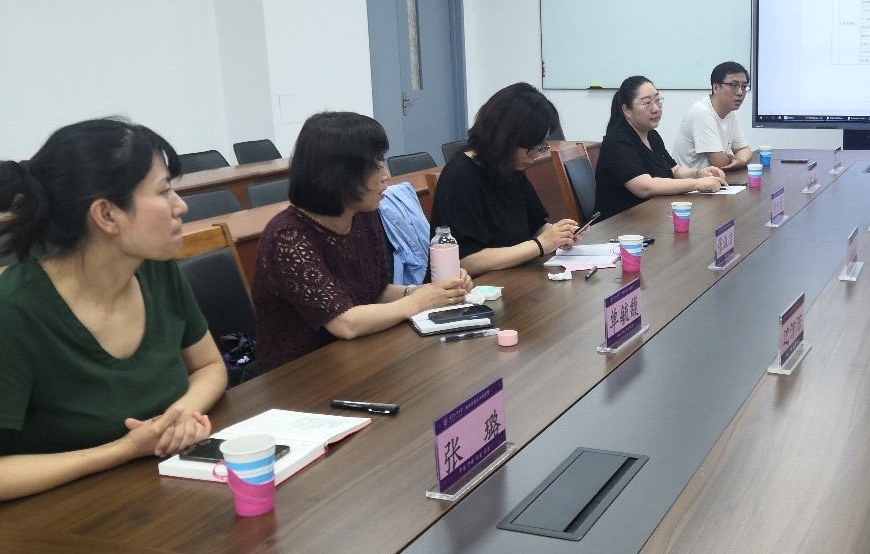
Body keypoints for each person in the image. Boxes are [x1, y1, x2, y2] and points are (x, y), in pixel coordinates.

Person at [0, 118, 228, 501]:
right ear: (106, 215)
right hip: (63, 518)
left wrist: (179, 417)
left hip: (162, 495)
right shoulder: (14, 309)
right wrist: (124, 449)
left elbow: (209, 366)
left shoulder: (155, 268)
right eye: (164, 191)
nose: (181, 206)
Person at [252, 112, 471, 371]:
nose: (386, 174)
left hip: (357, 355)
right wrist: (419, 301)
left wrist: (433, 292)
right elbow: (345, 323)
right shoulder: (288, 238)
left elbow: (377, 291)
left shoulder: (363, 215)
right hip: (300, 372)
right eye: (375, 166)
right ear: (339, 175)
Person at [430, 83, 579, 276]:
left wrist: (560, 235)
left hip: (513, 276)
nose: (536, 156)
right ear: (507, 139)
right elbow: (466, 261)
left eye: (542, 145)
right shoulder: (460, 177)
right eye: (532, 148)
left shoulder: (510, 168)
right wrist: (540, 245)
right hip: (478, 286)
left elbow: (535, 226)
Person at [596, 76, 727, 220]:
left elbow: (675, 171)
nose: (656, 108)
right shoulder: (617, 141)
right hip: (620, 223)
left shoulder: (651, 134)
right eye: (647, 103)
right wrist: (697, 184)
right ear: (627, 110)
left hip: (651, 215)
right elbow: (645, 187)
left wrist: (699, 173)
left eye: (658, 100)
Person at [672, 61, 755, 172]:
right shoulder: (702, 113)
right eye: (733, 85)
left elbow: (744, 150)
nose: (740, 92)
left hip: (713, 179)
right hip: (691, 181)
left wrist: (740, 161)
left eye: (744, 86)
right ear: (716, 88)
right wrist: (739, 161)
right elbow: (720, 164)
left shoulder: (730, 112)